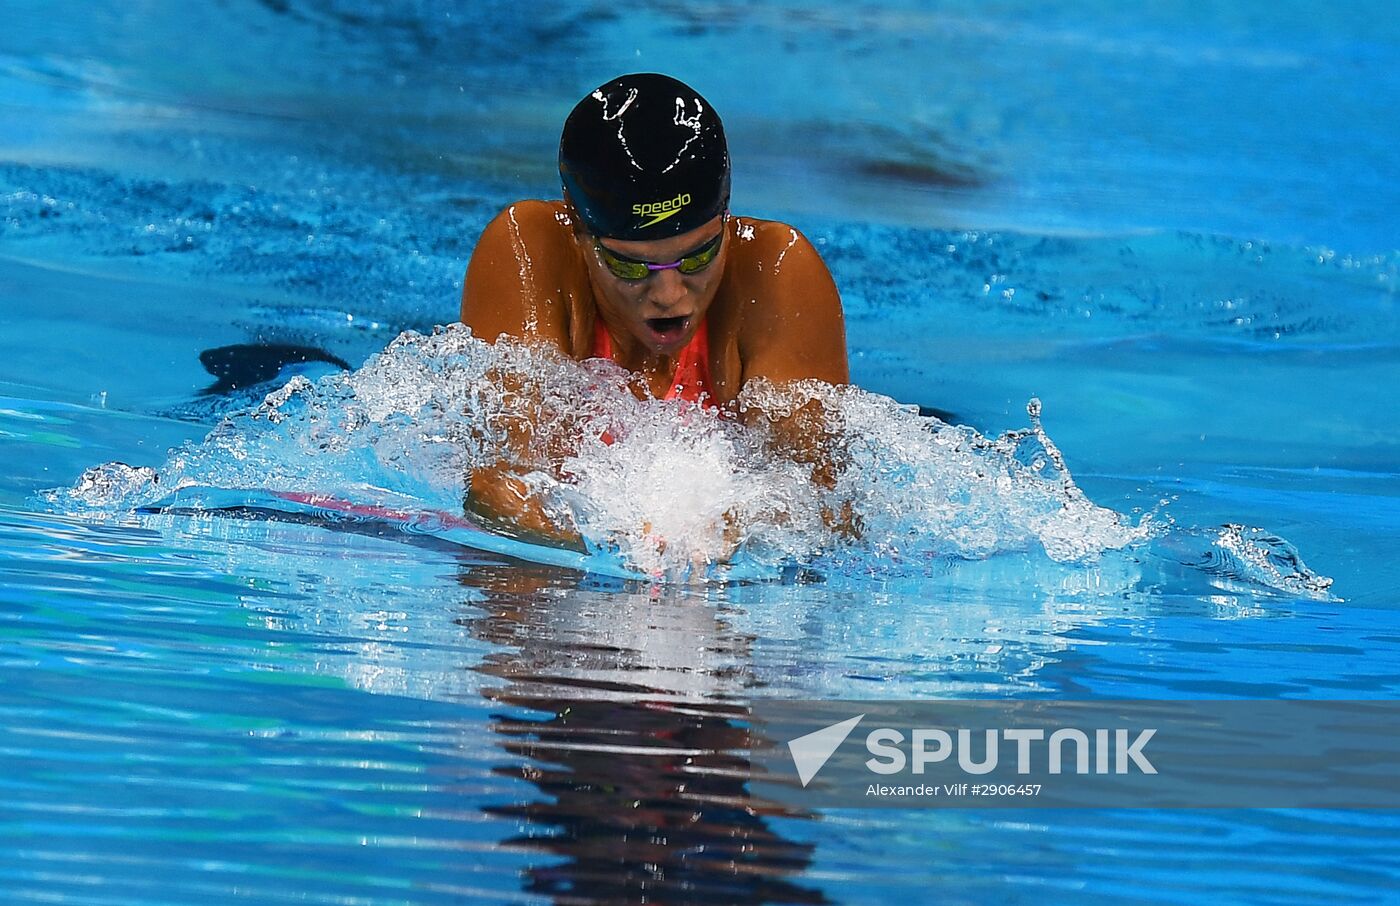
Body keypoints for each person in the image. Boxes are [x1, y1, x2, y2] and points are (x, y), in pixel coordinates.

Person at [460, 73, 848, 545]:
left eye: (699, 256)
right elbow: (499, 486)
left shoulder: (778, 271)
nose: (669, 294)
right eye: (631, 265)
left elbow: (824, 511)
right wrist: (619, 542)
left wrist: (722, 537)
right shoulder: (529, 252)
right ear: (579, 226)